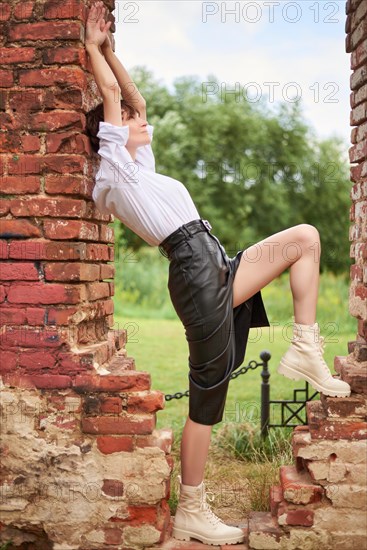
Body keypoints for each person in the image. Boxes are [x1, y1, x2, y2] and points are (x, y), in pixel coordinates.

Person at [84, 2, 351, 545]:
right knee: (208, 397)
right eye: (130, 123)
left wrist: (113, 49)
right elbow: (115, 101)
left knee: (305, 238)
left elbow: (132, 100)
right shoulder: (115, 172)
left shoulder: (139, 169)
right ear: (110, 136)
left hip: (212, 262)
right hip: (194, 270)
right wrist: (92, 49)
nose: (141, 120)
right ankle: (193, 509)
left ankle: (305, 346)